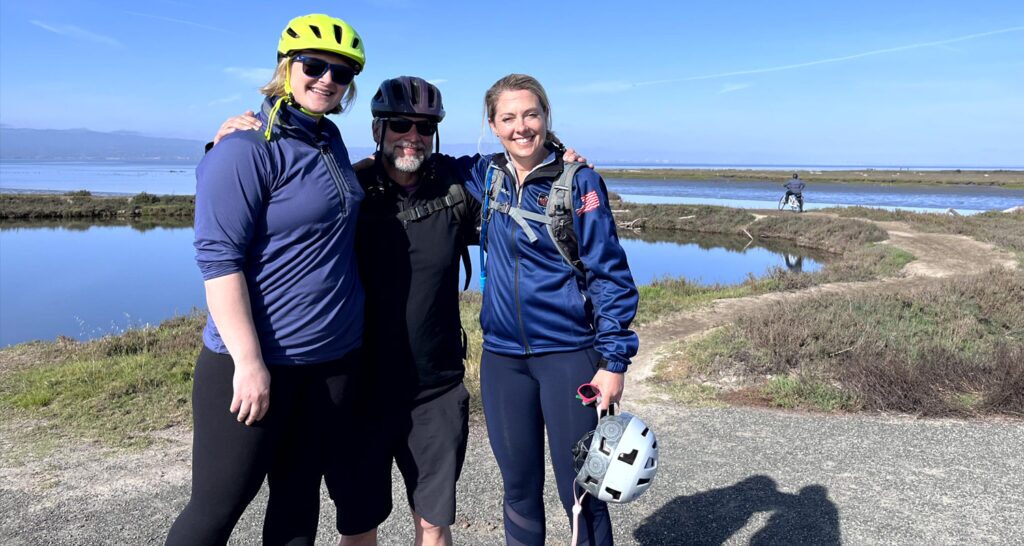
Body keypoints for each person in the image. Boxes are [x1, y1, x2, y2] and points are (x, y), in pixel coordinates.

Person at [166, 13, 368, 546]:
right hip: (255, 366)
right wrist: (249, 363)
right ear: (286, 67)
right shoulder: (244, 147)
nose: (327, 79)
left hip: (327, 363)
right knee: (215, 509)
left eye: (341, 73)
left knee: (297, 504)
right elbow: (218, 260)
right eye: (314, 65)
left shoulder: (331, 142)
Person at [464, 74, 640, 546]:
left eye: (530, 114)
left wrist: (613, 363)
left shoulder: (578, 183)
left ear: (545, 118)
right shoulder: (485, 176)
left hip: (568, 359)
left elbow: (609, 276)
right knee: (518, 489)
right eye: (508, 118)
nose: (521, 127)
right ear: (492, 125)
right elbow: (411, 162)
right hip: (502, 361)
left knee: (582, 491)